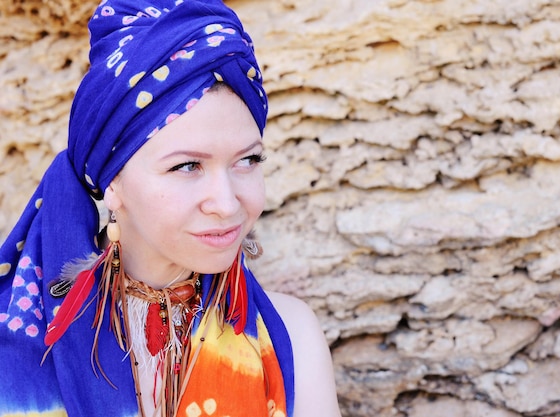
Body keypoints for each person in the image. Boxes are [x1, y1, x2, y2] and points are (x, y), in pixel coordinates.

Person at [0, 1, 342, 416]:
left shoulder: (291, 337)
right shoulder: (12, 346)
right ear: (113, 183)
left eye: (248, 160)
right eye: (187, 166)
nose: (227, 202)